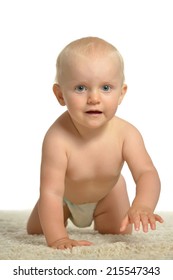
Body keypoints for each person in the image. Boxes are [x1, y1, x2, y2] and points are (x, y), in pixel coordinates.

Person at [27, 37, 163, 250]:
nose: (94, 98)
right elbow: (51, 191)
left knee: (121, 231)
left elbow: (146, 172)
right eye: (81, 88)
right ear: (60, 94)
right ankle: (54, 219)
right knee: (35, 230)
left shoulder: (127, 133)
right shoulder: (57, 138)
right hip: (64, 197)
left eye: (106, 87)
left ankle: (107, 212)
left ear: (121, 93)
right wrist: (58, 239)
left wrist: (143, 205)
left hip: (107, 194)